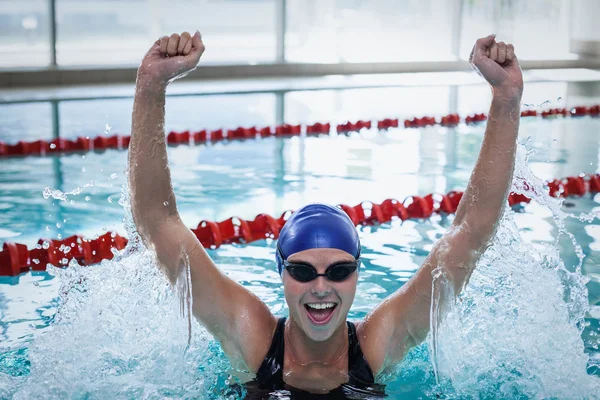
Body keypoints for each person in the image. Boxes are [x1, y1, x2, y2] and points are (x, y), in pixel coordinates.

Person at [128, 30, 523, 398]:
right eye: (302, 271)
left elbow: (470, 233)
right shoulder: (250, 335)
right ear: (280, 271)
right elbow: (157, 222)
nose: (321, 288)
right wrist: (151, 86)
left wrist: (506, 98)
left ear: (357, 271)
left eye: (338, 271)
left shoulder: (378, 343)